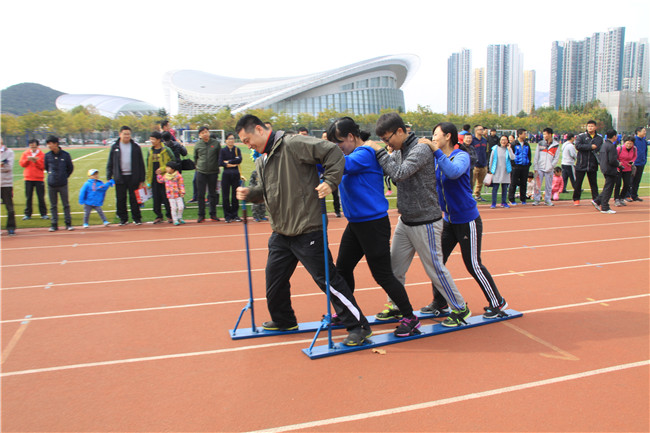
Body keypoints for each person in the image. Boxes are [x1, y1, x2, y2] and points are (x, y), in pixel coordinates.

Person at [235, 114, 371, 346]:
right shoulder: (262, 159)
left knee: (327, 280)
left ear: (259, 129)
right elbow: (267, 192)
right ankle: (284, 320)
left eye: (247, 140)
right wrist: (251, 193)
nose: (247, 145)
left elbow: (332, 152)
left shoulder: (293, 143)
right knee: (274, 281)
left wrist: (329, 180)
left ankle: (359, 325)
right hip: (281, 231)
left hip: (307, 228)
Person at [367, 112, 470, 327]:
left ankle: (460, 308)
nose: (386, 143)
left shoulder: (421, 149)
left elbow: (400, 173)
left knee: (435, 269)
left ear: (400, 131)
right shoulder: (399, 150)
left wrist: (380, 153)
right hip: (406, 220)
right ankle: (395, 305)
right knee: (394, 267)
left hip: (426, 221)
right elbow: (391, 171)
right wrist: (385, 154)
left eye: (388, 139)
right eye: (383, 140)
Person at [327, 116, 420, 337]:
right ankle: (347, 312)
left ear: (351, 136)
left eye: (339, 143)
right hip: (356, 224)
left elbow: (343, 166)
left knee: (383, 275)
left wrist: (319, 156)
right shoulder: (350, 153)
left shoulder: (365, 154)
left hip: (373, 224)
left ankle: (410, 317)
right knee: (342, 270)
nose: (338, 148)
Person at [419, 122, 508, 318]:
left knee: (473, 264)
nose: (433, 138)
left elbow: (452, 172)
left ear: (448, 136)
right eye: (432, 136)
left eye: (436, 135)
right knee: (437, 261)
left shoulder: (461, 157)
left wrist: (435, 151)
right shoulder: (436, 159)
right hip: (449, 220)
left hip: (467, 220)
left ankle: (497, 301)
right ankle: (440, 302)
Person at [106, 126, 146, 225]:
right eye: (125, 134)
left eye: (128, 134)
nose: (127, 136)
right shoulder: (115, 147)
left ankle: (137, 218)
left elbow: (141, 163)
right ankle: (123, 218)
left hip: (133, 176)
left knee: (134, 198)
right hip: (120, 177)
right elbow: (110, 162)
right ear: (120, 134)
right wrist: (109, 176)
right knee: (121, 198)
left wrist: (142, 179)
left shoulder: (135, 147)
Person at [44, 135, 74, 231]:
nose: (49, 146)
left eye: (50, 143)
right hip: (51, 184)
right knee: (53, 205)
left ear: (56, 144)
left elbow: (70, 168)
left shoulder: (65, 155)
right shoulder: (47, 156)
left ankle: (68, 223)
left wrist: (64, 176)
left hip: (62, 183)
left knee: (65, 204)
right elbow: (46, 167)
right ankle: (54, 224)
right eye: (48, 144)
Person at [194, 126, 221, 222]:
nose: (205, 134)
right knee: (201, 194)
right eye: (202, 133)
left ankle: (213, 214)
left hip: (213, 172)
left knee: (212, 193)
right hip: (201, 172)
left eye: (206, 132)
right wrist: (198, 167)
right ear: (199, 135)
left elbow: (219, 157)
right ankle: (201, 214)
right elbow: (195, 157)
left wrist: (218, 167)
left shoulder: (216, 144)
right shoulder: (198, 145)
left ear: (209, 133)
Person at [146, 131, 174, 224]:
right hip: (154, 178)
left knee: (166, 197)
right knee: (156, 198)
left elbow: (173, 162)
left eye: (153, 139)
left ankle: (170, 215)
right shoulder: (150, 151)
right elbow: (148, 166)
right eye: (151, 139)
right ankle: (158, 216)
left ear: (158, 140)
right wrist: (148, 179)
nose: (151, 141)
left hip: (165, 177)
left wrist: (163, 169)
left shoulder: (166, 150)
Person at [573, 120, 602, 205]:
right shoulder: (581, 136)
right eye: (589, 126)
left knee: (593, 184)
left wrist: (592, 148)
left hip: (593, 164)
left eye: (592, 126)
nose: (590, 128)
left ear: (595, 127)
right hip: (581, 163)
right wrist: (590, 146)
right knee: (578, 183)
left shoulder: (599, 138)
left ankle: (596, 199)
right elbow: (578, 146)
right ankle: (576, 199)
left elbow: (598, 147)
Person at [592, 129, 621, 214]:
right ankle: (604, 206)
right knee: (609, 188)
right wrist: (618, 164)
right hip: (610, 169)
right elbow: (612, 160)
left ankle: (597, 201)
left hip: (604, 168)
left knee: (607, 187)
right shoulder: (611, 146)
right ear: (614, 136)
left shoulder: (604, 145)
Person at [19, 139, 49, 220]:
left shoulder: (42, 155)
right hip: (28, 178)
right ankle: (28, 214)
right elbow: (22, 164)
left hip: (39, 178)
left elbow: (43, 167)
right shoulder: (25, 153)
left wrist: (36, 161)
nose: (33, 148)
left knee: (40, 197)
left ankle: (43, 214)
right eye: (31, 146)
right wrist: (27, 160)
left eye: (34, 146)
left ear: (37, 146)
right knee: (28, 197)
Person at [532, 127, 561, 206]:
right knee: (537, 184)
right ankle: (537, 199)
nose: (544, 136)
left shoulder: (556, 145)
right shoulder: (540, 143)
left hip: (549, 168)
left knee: (548, 185)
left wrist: (551, 166)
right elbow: (536, 156)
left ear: (550, 135)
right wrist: (535, 167)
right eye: (543, 134)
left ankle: (547, 199)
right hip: (539, 167)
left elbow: (556, 157)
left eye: (545, 134)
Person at [219, 133, 243, 223]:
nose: (231, 140)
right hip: (226, 175)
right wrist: (230, 163)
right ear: (226, 140)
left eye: (232, 138)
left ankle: (235, 214)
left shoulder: (237, 149)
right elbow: (220, 162)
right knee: (225, 196)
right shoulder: (223, 151)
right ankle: (227, 215)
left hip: (235, 174)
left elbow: (239, 160)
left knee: (235, 196)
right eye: (229, 139)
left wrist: (228, 162)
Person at [489, 135, 515, 208]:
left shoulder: (508, 149)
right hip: (496, 171)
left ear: (507, 141)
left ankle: (503, 202)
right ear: (500, 140)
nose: (503, 141)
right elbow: (491, 160)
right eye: (502, 139)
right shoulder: (495, 149)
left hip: (505, 171)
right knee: (495, 188)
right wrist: (491, 170)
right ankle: (493, 203)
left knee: (504, 188)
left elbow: (512, 158)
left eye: (505, 140)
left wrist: (509, 149)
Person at [157, 161, 185, 225]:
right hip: (170, 195)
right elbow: (161, 181)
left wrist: (182, 192)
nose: (166, 168)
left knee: (181, 207)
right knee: (173, 208)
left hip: (178, 194)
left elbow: (181, 184)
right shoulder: (166, 176)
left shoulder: (178, 176)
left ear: (173, 169)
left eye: (168, 167)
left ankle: (179, 217)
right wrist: (158, 175)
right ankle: (175, 220)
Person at [508, 128, 531, 205]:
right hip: (516, 166)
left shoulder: (527, 144)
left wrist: (528, 164)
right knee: (513, 183)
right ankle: (511, 199)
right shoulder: (514, 144)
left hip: (524, 166)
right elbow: (511, 155)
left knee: (523, 183)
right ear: (519, 134)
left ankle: (523, 199)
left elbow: (529, 154)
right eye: (524, 134)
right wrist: (513, 165)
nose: (525, 135)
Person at [321, 132, 341, 217]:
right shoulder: (319, 148)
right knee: (321, 195)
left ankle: (337, 211)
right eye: (324, 137)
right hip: (321, 175)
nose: (325, 138)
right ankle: (321, 213)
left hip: (332, 175)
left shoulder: (333, 148)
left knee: (335, 194)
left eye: (327, 137)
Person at [614, 136, 637, 207]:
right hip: (619, 168)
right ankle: (616, 199)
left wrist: (632, 161)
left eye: (631, 143)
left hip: (628, 168)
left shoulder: (634, 149)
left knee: (627, 184)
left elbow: (635, 156)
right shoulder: (619, 148)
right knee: (618, 184)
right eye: (627, 143)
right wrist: (618, 164)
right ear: (624, 143)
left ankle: (622, 197)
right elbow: (615, 157)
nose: (629, 145)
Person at [1, 138, 16, 235]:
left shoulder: (9, 152)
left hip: (6, 184)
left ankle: (11, 227)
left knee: (9, 207)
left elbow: (8, 167)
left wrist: (3, 165)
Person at [627, 127, 648, 202]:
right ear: (638, 132)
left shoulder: (644, 141)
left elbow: (645, 151)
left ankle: (634, 195)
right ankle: (627, 195)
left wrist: (645, 160)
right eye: (643, 131)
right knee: (630, 180)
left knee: (637, 180)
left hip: (641, 163)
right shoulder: (634, 140)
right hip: (634, 163)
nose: (645, 132)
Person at [471, 125, 488, 201]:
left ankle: (477, 195)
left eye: (482, 129)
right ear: (476, 131)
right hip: (475, 165)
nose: (482, 131)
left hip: (483, 164)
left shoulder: (484, 140)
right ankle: (469, 196)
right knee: (472, 182)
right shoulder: (472, 140)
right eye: (481, 129)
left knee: (480, 182)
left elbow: (486, 151)